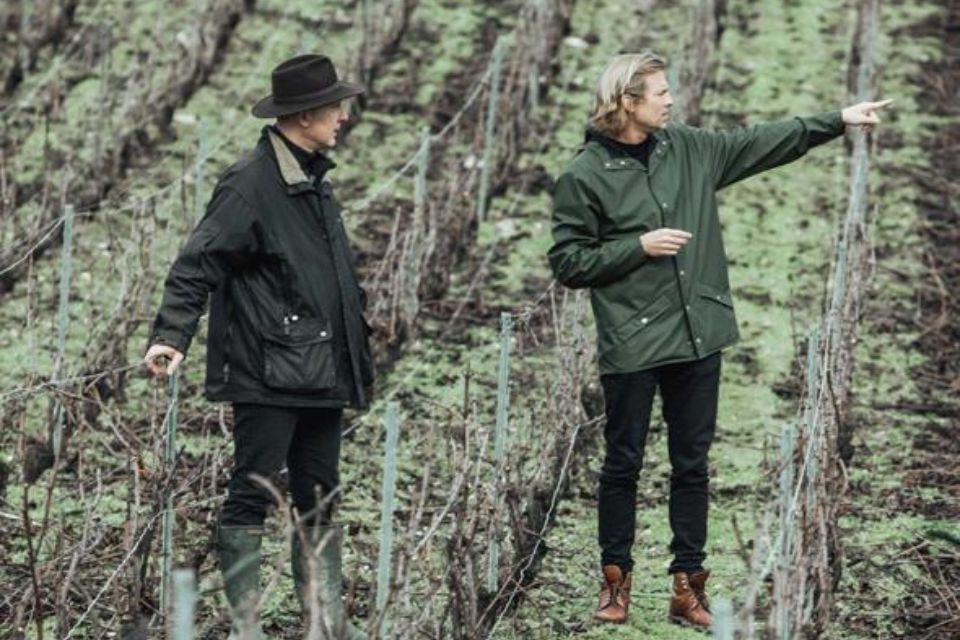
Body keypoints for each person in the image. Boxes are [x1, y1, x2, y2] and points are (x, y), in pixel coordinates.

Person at [547, 51, 891, 627]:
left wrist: (838, 119)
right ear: (627, 101)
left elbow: (761, 142)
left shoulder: (689, 149)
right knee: (622, 464)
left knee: (692, 465)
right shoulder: (584, 175)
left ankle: (688, 587)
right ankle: (615, 585)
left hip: (698, 335)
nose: (670, 98)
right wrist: (638, 246)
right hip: (633, 341)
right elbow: (568, 260)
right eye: (659, 91)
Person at [144, 54, 374, 639]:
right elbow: (197, 263)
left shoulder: (313, 178)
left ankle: (325, 624)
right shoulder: (250, 184)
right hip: (268, 371)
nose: (343, 117)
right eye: (334, 107)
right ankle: (246, 625)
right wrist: (172, 335)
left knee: (319, 498)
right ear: (303, 117)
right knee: (252, 496)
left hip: (320, 369)